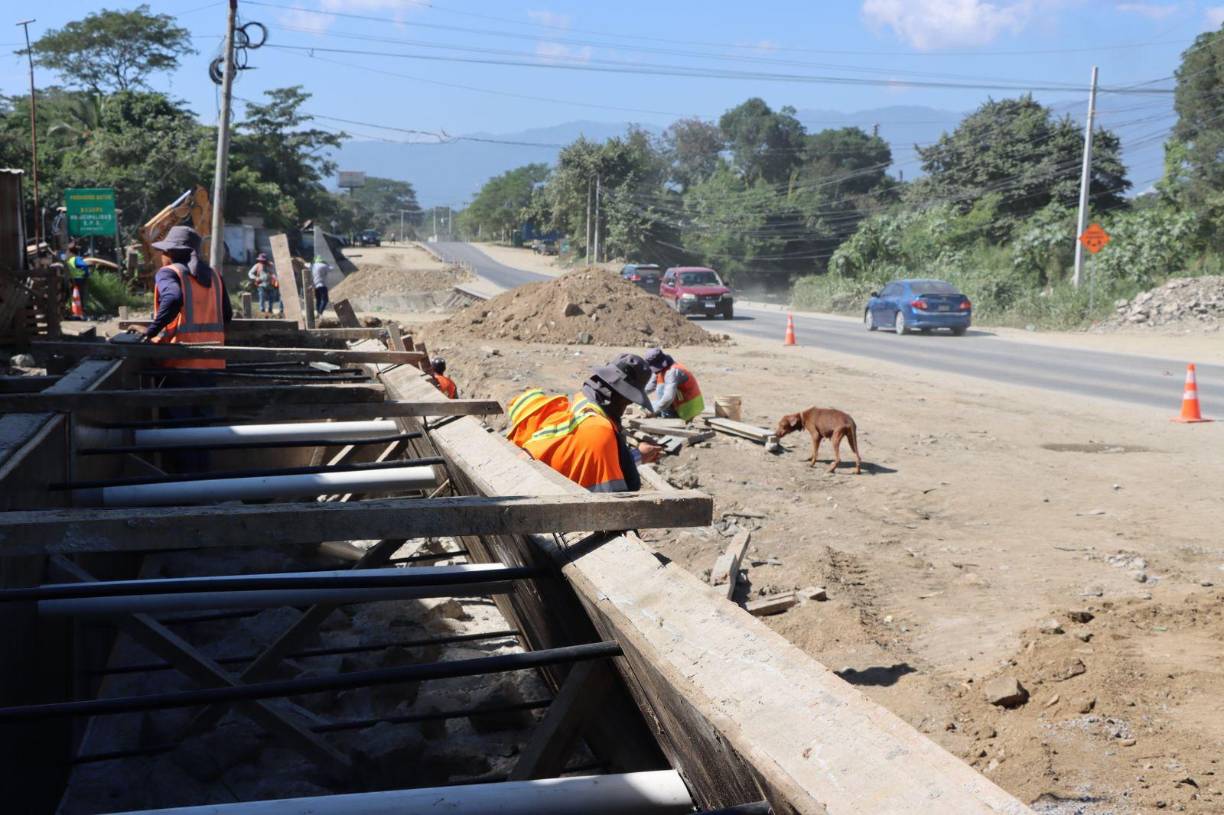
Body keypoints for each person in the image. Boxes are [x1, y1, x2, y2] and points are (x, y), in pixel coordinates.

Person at [506, 354, 663, 492]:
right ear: (624, 397)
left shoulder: (581, 402)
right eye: (629, 401)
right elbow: (618, 494)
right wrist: (634, 456)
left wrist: (637, 455)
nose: (627, 406)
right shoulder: (600, 430)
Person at [142, 225, 232, 368]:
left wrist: (150, 332)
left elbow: (173, 299)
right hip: (214, 361)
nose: (161, 256)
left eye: (163, 251)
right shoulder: (215, 276)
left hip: (181, 360)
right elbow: (227, 315)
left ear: (169, 253)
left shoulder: (168, 273)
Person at [644, 347, 705, 422]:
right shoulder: (661, 369)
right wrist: (636, 398)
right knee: (646, 406)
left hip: (688, 408)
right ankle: (666, 413)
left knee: (661, 389)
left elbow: (668, 398)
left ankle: (669, 416)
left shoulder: (672, 372)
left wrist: (653, 411)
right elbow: (649, 387)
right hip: (680, 403)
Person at [64, 240, 92, 313]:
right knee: (76, 296)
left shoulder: (75, 259)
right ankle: (76, 310)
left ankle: (79, 310)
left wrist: (84, 274)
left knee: (77, 296)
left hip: (78, 280)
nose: (66, 254)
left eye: (67, 252)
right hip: (76, 280)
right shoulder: (72, 259)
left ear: (71, 252)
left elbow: (84, 266)